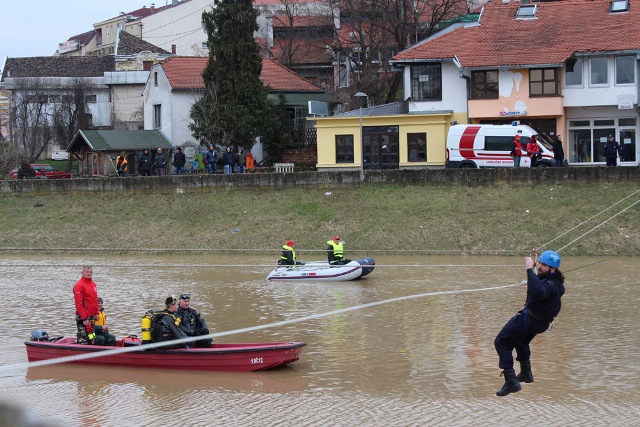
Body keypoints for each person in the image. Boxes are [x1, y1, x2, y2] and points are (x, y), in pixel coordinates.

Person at [494, 250, 565, 397]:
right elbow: (541, 291)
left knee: (501, 342)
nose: (540, 267)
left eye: (544, 265)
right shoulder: (555, 282)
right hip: (538, 323)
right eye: (540, 263)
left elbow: (541, 292)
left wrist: (528, 268)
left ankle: (511, 381)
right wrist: (533, 287)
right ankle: (526, 373)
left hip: (530, 320)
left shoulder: (551, 284)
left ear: (553, 269)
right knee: (521, 342)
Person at [73, 266, 100, 345]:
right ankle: (79, 353)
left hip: (92, 316)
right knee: (83, 338)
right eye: (87, 272)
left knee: (92, 337)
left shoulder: (93, 284)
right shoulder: (79, 285)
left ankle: (91, 352)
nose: (89, 273)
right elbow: (78, 304)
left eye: (90, 272)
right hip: (83, 316)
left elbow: (95, 299)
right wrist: (84, 318)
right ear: (82, 273)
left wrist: (97, 312)